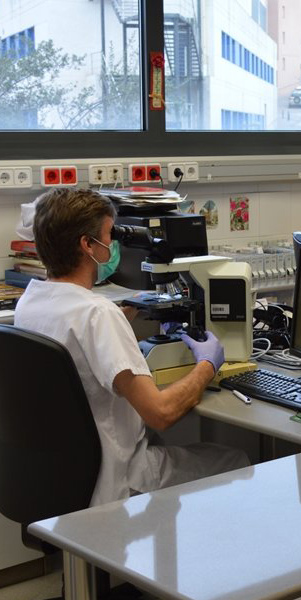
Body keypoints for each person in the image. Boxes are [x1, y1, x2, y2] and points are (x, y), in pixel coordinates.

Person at [14, 188, 249, 507]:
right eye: (110, 235)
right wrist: (207, 366)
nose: (112, 244)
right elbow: (161, 413)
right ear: (88, 245)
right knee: (236, 460)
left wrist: (120, 321)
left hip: (57, 475)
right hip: (116, 480)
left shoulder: (31, 301)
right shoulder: (98, 315)